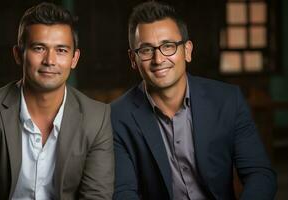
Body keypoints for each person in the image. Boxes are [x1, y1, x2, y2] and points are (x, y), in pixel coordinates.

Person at [111, 1, 276, 200]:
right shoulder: (116, 117)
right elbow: (123, 193)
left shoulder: (227, 100)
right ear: (133, 59)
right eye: (146, 50)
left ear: (187, 51)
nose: (158, 59)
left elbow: (260, 175)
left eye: (168, 46)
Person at [0, 2, 114, 200]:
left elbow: (96, 196)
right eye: (39, 48)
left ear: (74, 58)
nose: (50, 60)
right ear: (18, 55)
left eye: (61, 50)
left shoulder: (96, 118)